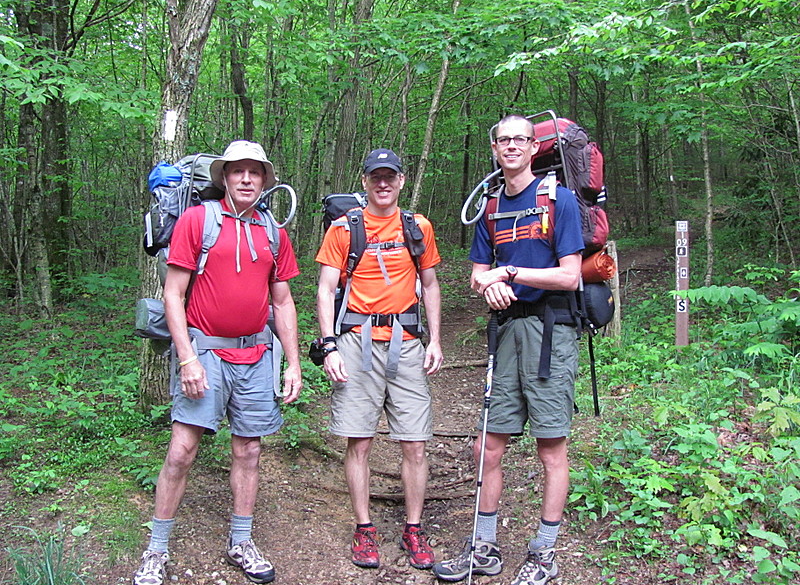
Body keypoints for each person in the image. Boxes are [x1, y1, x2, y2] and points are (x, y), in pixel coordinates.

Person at [133, 140, 303, 585]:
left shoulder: (274, 233)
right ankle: (157, 549)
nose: (246, 179)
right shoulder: (198, 220)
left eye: (254, 172)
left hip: (256, 354)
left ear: (265, 180)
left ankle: (241, 541)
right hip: (205, 352)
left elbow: (283, 303)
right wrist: (187, 356)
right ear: (224, 177)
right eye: (237, 171)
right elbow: (173, 293)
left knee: (248, 450)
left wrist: (293, 363)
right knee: (182, 450)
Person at [432, 116, 583, 585]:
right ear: (494, 149)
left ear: (534, 147)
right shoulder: (492, 207)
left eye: (521, 139)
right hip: (506, 334)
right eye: (504, 141)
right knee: (486, 447)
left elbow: (569, 275)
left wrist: (510, 275)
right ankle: (483, 547)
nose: (512, 147)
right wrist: (488, 285)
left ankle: (544, 551)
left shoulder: (560, 200)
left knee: (551, 447)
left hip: (551, 332)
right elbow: (478, 273)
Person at [315, 148, 444, 571]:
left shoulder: (417, 226)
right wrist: (329, 344)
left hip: (406, 342)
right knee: (360, 440)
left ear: (402, 181)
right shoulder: (343, 228)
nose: (383, 184)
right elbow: (324, 288)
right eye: (376, 177)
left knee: (415, 443)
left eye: (390, 177)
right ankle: (364, 528)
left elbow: (430, 283)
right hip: (356, 341)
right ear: (366, 181)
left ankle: (413, 527)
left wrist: (435, 340)